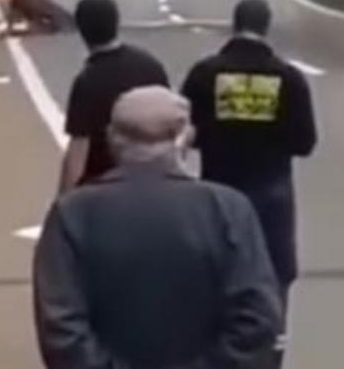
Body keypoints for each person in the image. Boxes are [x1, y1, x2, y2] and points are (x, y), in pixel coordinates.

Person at [34, 86, 283, 368]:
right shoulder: (227, 208)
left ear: (111, 139)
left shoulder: (73, 213)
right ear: (185, 138)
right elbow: (258, 318)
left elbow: (61, 327)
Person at [181, 0, 317, 367]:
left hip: (219, 194)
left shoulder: (204, 75)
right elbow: (305, 143)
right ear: (267, 26)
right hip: (271, 196)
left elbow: (184, 134)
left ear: (234, 24)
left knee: (216, 280)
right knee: (274, 279)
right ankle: (271, 355)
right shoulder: (288, 78)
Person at [60, 0, 169, 192]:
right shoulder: (150, 65)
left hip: (104, 186)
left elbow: (78, 151)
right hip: (155, 180)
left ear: (82, 31)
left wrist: (64, 200)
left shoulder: (87, 83)